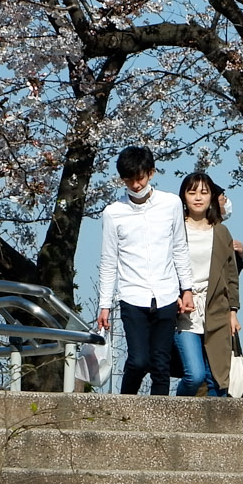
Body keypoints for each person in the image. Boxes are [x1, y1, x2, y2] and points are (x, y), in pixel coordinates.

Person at [95, 146, 195, 396]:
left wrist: (187, 289)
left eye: (139, 177)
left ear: (150, 173)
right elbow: (109, 260)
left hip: (166, 292)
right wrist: (104, 304)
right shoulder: (113, 213)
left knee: (161, 364)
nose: (136, 184)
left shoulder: (171, 203)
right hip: (132, 294)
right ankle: (122, 409)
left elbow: (179, 249)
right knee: (139, 360)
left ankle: (158, 425)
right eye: (129, 179)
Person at [174, 171, 241, 396]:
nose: (198, 197)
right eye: (192, 192)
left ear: (212, 196)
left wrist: (233, 311)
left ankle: (215, 426)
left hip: (217, 308)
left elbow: (231, 275)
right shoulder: (175, 229)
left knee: (218, 380)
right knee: (194, 375)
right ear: (183, 196)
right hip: (185, 310)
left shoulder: (221, 232)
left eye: (204, 192)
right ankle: (173, 414)